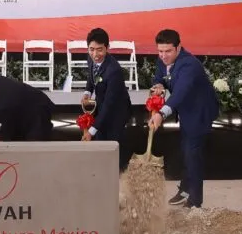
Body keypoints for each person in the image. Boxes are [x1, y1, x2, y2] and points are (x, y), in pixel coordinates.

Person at [148, 29, 219, 208]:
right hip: (185, 112)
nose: (163, 56)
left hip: (199, 112)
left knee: (192, 155)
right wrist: (158, 85)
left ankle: (195, 201)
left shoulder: (189, 65)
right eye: (160, 51)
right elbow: (159, 77)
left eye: (168, 51)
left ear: (178, 48)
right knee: (186, 151)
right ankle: (185, 189)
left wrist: (161, 114)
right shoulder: (162, 59)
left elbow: (180, 92)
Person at [80, 28, 132, 169]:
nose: (95, 54)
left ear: (107, 47)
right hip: (102, 105)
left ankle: (118, 173)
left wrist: (91, 131)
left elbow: (109, 104)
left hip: (117, 111)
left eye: (99, 50)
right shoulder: (91, 58)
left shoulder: (114, 70)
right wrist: (87, 92)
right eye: (91, 49)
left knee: (112, 146)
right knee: (100, 141)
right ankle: (101, 171)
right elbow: (92, 76)